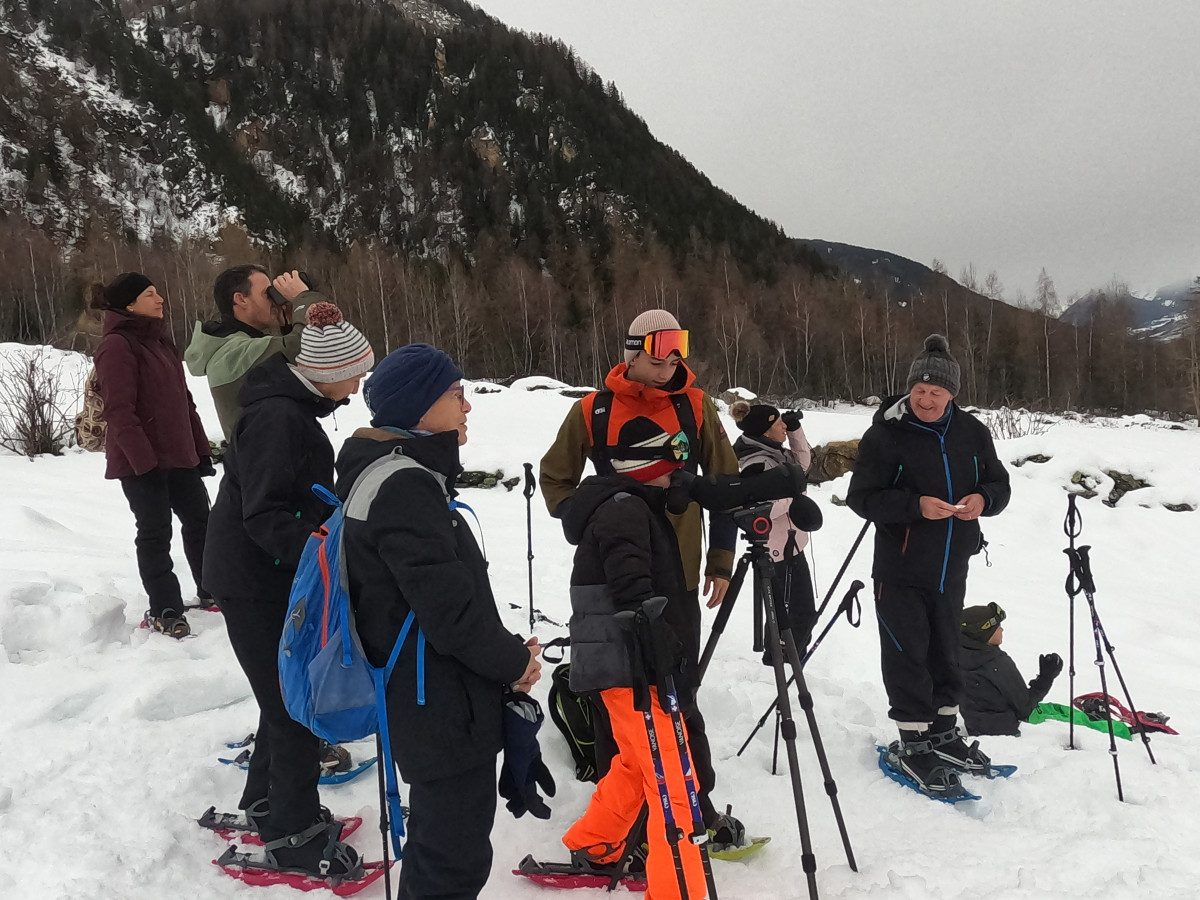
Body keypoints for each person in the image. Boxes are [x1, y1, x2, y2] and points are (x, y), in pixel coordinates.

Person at [336, 343, 541, 900]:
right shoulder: (404, 486)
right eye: (456, 394)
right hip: (436, 702)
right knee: (451, 857)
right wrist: (513, 662)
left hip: (426, 690)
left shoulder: (389, 473)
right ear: (418, 405)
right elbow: (449, 614)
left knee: (446, 845)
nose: (467, 406)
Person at [539, 309, 744, 841]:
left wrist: (721, 560)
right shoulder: (593, 410)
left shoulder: (695, 406)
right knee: (620, 700)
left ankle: (693, 806)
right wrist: (591, 516)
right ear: (632, 352)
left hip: (679, 576)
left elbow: (725, 485)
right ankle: (625, 819)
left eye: (678, 350)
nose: (670, 361)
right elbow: (556, 479)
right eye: (659, 352)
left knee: (679, 695)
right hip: (612, 578)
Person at [204, 303, 374, 878]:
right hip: (254, 578)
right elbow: (265, 512)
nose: (358, 386)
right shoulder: (279, 417)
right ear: (326, 371)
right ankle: (291, 835)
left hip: (265, 573)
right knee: (293, 706)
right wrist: (324, 554)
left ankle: (266, 804)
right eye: (354, 374)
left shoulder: (290, 407)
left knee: (282, 697)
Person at [846, 334, 1011, 796]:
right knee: (908, 652)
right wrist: (915, 506)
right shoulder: (885, 434)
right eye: (919, 390)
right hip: (900, 568)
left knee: (946, 650)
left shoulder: (972, 432)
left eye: (936, 392)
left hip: (951, 565)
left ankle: (943, 732)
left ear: (951, 394)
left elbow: (999, 484)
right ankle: (913, 739)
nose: (925, 399)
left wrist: (983, 499)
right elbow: (862, 497)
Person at [559, 416, 708, 899]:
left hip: (621, 666)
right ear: (647, 466)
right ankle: (677, 890)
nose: (677, 473)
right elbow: (633, 593)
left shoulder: (625, 503)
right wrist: (662, 650)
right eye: (671, 462)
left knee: (635, 764)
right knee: (673, 784)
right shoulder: (624, 509)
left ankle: (596, 841)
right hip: (632, 668)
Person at [90, 272, 214, 639]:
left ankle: (213, 591)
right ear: (129, 304)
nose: (160, 299)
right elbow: (119, 410)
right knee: (156, 533)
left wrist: (200, 450)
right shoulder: (116, 346)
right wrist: (144, 464)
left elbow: (185, 404)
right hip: (140, 463)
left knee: (202, 523)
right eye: (150, 294)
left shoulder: (161, 343)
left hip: (180, 457)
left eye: (157, 292)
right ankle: (166, 610)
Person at [184, 266, 318, 439]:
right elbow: (305, 346)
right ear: (241, 299)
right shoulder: (231, 352)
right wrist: (304, 298)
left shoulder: (238, 344)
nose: (274, 301)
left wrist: (289, 325)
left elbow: (305, 378)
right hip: (269, 453)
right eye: (267, 293)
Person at [729, 400, 816, 658]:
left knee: (801, 611)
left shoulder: (775, 453)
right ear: (765, 431)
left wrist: (795, 430)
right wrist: (795, 497)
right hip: (776, 551)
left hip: (791, 545)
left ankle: (790, 655)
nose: (783, 426)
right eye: (779, 423)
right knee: (792, 612)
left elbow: (803, 464)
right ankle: (780, 658)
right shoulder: (756, 464)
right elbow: (761, 508)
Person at [959, 602, 1062, 736]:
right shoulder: (996, 663)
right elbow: (1024, 709)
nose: (1002, 630)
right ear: (984, 633)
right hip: (1010, 732)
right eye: (997, 627)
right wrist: (1046, 678)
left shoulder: (956, 656)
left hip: (975, 727)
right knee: (1073, 717)